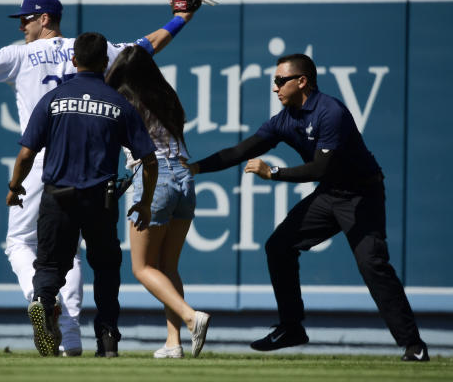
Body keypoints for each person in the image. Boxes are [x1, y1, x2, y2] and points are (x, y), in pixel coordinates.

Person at [0, 0, 197, 356]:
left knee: (23, 244)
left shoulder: (22, 55)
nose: (22, 27)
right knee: (78, 254)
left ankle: (44, 303)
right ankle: (73, 335)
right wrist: (181, 17)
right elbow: (147, 45)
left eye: (26, 19)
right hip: (94, 165)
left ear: (45, 18)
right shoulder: (93, 48)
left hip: (46, 161)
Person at [182, 53, 430, 362]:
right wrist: (194, 168)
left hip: (362, 195)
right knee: (278, 246)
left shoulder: (330, 112)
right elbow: (240, 150)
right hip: (330, 195)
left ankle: (414, 345)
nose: (275, 88)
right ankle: (291, 328)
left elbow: (320, 168)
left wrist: (273, 173)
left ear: (302, 82)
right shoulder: (285, 120)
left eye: (280, 81)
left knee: (372, 264)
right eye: (274, 82)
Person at [6, 32, 158, 358]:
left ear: (74, 60)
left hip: (57, 195)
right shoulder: (119, 103)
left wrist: (15, 187)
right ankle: (107, 340)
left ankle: (45, 303)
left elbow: (26, 154)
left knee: (49, 263)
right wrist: (144, 202)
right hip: (100, 200)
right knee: (105, 269)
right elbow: (149, 159)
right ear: (106, 62)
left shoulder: (53, 99)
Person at [105, 46, 210, 359]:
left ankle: (192, 317)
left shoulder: (123, 99)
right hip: (184, 175)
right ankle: (172, 342)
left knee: (141, 268)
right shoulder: (167, 95)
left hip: (154, 175)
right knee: (168, 267)